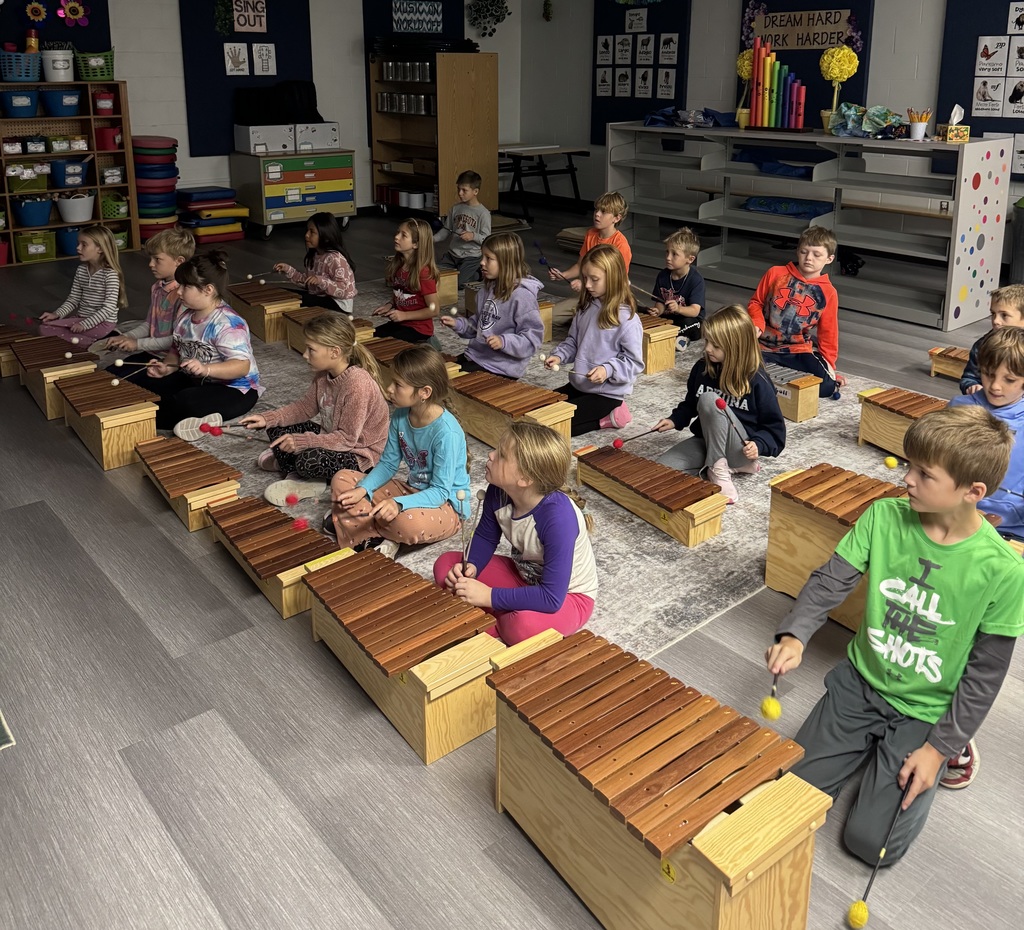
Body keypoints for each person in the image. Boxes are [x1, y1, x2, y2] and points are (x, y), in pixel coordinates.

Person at [765, 405, 1024, 866]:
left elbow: (986, 674)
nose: (907, 479)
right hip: (861, 684)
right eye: (908, 466)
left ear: (973, 492)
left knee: (871, 845)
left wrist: (937, 747)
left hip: (927, 710)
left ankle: (954, 748)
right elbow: (830, 581)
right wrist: (795, 635)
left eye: (925, 474)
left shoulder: (1004, 572)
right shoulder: (883, 516)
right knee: (787, 801)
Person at [433, 421, 597, 645]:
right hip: (522, 578)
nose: (490, 455)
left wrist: (489, 596)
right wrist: (471, 566)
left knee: (522, 625)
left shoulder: (558, 518)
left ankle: (492, 617)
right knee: (447, 564)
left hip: (568, 598)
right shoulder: (498, 491)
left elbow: (551, 598)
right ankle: (497, 617)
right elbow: (485, 537)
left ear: (525, 479)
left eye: (501, 455)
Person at [327, 344, 470, 560]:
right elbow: (387, 465)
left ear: (424, 392)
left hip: (445, 506)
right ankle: (373, 535)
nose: (389, 389)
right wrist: (364, 490)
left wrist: (398, 504)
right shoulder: (401, 416)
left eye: (398, 385)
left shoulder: (446, 433)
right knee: (342, 480)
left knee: (407, 523)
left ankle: (358, 524)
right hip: (411, 490)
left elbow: (440, 492)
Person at [239, 314, 390, 507]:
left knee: (308, 460)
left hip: (360, 454)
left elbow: (347, 439)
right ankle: (299, 471)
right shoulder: (323, 375)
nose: (304, 355)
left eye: (311, 350)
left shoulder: (357, 384)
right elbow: (303, 408)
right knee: (277, 430)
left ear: (334, 352)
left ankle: (299, 472)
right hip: (333, 438)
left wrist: (303, 442)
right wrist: (267, 418)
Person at [653, 304, 785, 504]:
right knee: (660, 469)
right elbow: (691, 403)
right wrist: (675, 419)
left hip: (740, 448)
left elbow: (775, 430)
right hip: (708, 441)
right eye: (708, 341)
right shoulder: (702, 368)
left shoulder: (758, 381)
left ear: (736, 347)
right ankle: (725, 465)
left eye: (715, 346)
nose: (707, 348)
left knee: (711, 400)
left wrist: (759, 444)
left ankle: (720, 468)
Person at [131, 250, 263, 433]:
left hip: (235, 390)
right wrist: (166, 368)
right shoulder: (185, 317)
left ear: (208, 289)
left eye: (185, 286)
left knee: (185, 401)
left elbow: (241, 366)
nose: (178, 291)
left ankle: (158, 422)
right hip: (199, 382)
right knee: (144, 384)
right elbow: (176, 352)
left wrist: (206, 369)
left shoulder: (228, 324)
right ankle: (169, 417)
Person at [545, 243, 643, 435]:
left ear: (613, 278)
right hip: (580, 385)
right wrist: (559, 355)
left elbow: (634, 363)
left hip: (607, 394)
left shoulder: (627, 319)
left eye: (594, 279)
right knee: (540, 413)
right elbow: (573, 341)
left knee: (555, 429)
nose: (587, 285)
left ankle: (610, 417)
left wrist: (607, 370)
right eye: (585, 278)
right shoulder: (585, 307)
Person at [747, 225, 841, 398]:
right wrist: (757, 325)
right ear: (797, 251)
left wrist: (829, 367)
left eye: (816, 254)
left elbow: (829, 332)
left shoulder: (829, 293)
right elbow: (756, 303)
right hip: (763, 346)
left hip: (797, 350)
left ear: (829, 259)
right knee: (740, 375)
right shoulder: (775, 273)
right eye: (804, 252)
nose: (809, 258)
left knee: (826, 387)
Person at [439, 232, 543, 378]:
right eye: (482, 256)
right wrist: (459, 324)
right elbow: (479, 327)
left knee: (448, 383)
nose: (482, 262)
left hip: (501, 367)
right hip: (477, 357)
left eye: (489, 258)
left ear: (506, 262)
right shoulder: (485, 291)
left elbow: (533, 340)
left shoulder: (522, 297)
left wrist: (504, 341)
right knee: (433, 373)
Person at [95, 227, 196, 367]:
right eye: (151, 258)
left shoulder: (184, 295)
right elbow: (150, 324)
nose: (150, 264)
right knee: (111, 371)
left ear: (179, 261)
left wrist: (138, 344)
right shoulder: (157, 288)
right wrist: (127, 336)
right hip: (153, 352)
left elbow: (178, 339)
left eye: (157, 259)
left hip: (172, 361)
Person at [38, 226, 127, 347]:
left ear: (100, 248)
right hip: (82, 318)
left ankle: (96, 344)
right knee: (45, 327)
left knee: (47, 329)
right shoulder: (81, 270)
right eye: (78, 244)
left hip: (103, 323)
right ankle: (91, 340)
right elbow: (73, 299)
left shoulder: (110, 275)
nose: (78, 248)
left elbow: (108, 309)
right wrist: (56, 314)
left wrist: (85, 324)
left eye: (84, 245)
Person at [273, 211, 357, 316]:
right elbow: (308, 283)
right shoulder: (314, 255)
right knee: (284, 293)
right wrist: (288, 270)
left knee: (301, 300)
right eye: (307, 230)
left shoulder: (335, 259)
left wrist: (320, 281)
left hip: (338, 304)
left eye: (312, 232)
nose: (306, 235)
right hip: (320, 297)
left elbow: (344, 290)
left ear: (326, 236)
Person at [372, 218, 439, 344]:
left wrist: (404, 315)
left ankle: (430, 343)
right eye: (398, 233)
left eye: (403, 235)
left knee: (384, 346)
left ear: (416, 244)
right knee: (368, 338)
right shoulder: (399, 265)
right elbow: (400, 293)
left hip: (418, 330)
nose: (396, 237)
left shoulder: (424, 273)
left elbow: (434, 310)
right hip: (400, 324)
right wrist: (390, 305)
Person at [548, 191, 632, 290]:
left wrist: (585, 284)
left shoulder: (620, 244)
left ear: (617, 218)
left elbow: (617, 279)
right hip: (591, 290)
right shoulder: (591, 234)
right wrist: (563, 275)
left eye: (604, 212)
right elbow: (580, 265)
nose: (597, 214)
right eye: (596, 210)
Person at [648, 226, 706, 350]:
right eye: (667, 252)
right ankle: (671, 338)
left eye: (675, 254)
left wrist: (678, 308)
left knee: (691, 324)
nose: (668, 257)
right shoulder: (663, 275)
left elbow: (695, 311)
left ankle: (677, 339)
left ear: (690, 259)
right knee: (640, 312)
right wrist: (657, 311)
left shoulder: (696, 280)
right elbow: (660, 302)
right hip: (671, 318)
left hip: (689, 319)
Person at [959, 284, 1024, 394]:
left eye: (1004, 315)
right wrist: (972, 386)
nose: (995, 321)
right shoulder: (982, 346)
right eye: (993, 314)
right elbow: (969, 378)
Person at [433, 170, 491, 289]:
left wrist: (473, 236)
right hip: (452, 254)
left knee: (458, 284)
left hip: (471, 257)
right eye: (458, 189)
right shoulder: (455, 208)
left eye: (464, 190)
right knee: (436, 277)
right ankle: (462, 272)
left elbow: (487, 239)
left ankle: (477, 274)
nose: (460, 193)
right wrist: (431, 239)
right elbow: (446, 230)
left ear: (475, 191)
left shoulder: (483, 213)